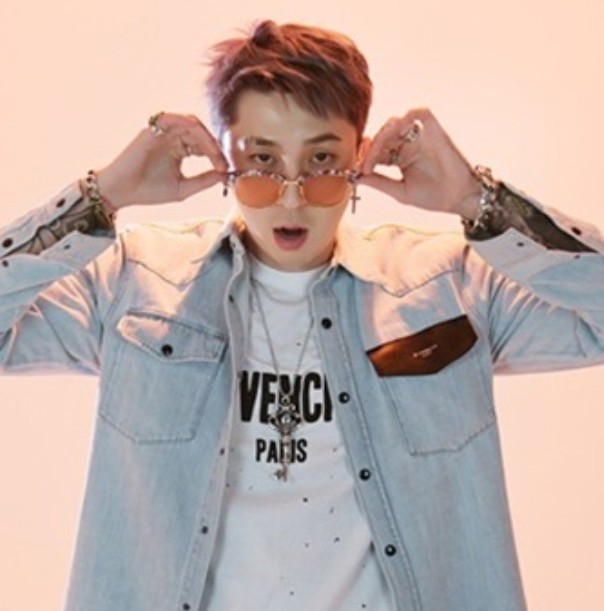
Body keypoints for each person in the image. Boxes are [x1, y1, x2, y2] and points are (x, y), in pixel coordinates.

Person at [0, 20, 602, 611]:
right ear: (222, 156)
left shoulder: (447, 284)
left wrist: (478, 201)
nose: (292, 196)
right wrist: (99, 199)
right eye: (262, 162)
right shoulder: (136, 280)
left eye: (321, 162)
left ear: (361, 157)